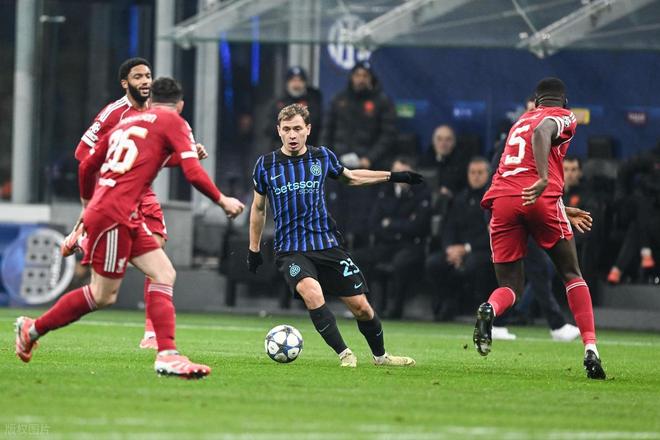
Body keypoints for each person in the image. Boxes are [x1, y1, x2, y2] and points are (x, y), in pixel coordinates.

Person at [15, 77, 245, 378]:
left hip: (120, 212)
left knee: (163, 273)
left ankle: (167, 354)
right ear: (180, 105)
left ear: (151, 101)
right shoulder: (173, 121)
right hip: (115, 215)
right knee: (102, 295)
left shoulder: (127, 123)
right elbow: (192, 171)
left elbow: (86, 165)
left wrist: (87, 206)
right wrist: (222, 200)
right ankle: (33, 329)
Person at [247, 103, 420, 368]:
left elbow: (352, 177)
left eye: (297, 129)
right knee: (312, 293)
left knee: (361, 307)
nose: (292, 135)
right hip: (291, 250)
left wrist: (394, 176)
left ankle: (381, 357)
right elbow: (258, 208)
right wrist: (254, 248)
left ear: (308, 129)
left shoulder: (322, 157)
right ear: (278, 131)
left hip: (327, 244)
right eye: (287, 129)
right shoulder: (266, 165)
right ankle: (344, 353)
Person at [64, 58, 205, 350]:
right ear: (125, 83)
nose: (145, 81)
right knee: (110, 289)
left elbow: (157, 158)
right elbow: (82, 153)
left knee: (157, 248)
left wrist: (187, 154)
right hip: (115, 191)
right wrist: (112, 175)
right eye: (138, 76)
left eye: (148, 76)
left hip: (143, 191)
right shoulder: (113, 112)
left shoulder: (156, 112)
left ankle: (151, 333)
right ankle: (89, 239)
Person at [473, 77, 606, 380]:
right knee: (571, 274)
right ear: (564, 101)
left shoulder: (520, 121)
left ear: (535, 100)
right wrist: (545, 179)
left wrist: (562, 207)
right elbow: (543, 132)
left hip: (502, 200)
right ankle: (590, 348)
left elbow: (518, 173)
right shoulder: (562, 116)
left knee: (511, 286)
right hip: (539, 196)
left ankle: (490, 308)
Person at [351, 156, 431, 319]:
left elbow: (419, 226)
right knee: (356, 258)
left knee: (401, 262)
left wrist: (390, 223)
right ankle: (365, 306)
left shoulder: (422, 191)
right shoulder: (384, 191)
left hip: (410, 245)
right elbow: (374, 223)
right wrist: (402, 224)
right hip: (386, 244)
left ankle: (395, 309)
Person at [426, 157, 495, 322]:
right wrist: (450, 249)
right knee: (433, 263)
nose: (476, 176)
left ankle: (477, 308)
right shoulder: (460, 198)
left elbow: (492, 232)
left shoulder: (493, 199)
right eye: (472, 172)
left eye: (480, 173)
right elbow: (448, 227)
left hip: (483, 249)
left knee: (473, 264)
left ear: (488, 174)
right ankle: (446, 303)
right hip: (457, 249)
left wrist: (466, 248)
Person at [265, 66, 322, 149]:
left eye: (300, 81)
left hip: (307, 148)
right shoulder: (279, 102)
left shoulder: (312, 101)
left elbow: (315, 125)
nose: (296, 84)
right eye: (293, 81)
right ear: (287, 83)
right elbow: (269, 127)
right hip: (282, 148)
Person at [420, 124, 470, 199]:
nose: (443, 143)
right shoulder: (424, 161)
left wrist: (452, 194)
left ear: (454, 142)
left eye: (448, 139)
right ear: (433, 141)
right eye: (439, 139)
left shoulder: (463, 163)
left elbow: (467, 190)